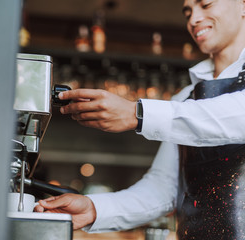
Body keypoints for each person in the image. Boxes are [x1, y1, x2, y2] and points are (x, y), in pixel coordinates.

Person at [35, 0, 245, 239]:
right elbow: (161, 191)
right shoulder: (184, 98)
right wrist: (94, 209)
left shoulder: (183, 107)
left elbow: (235, 115)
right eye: (187, 12)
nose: (193, 19)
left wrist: (137, 113)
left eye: (205, 4)